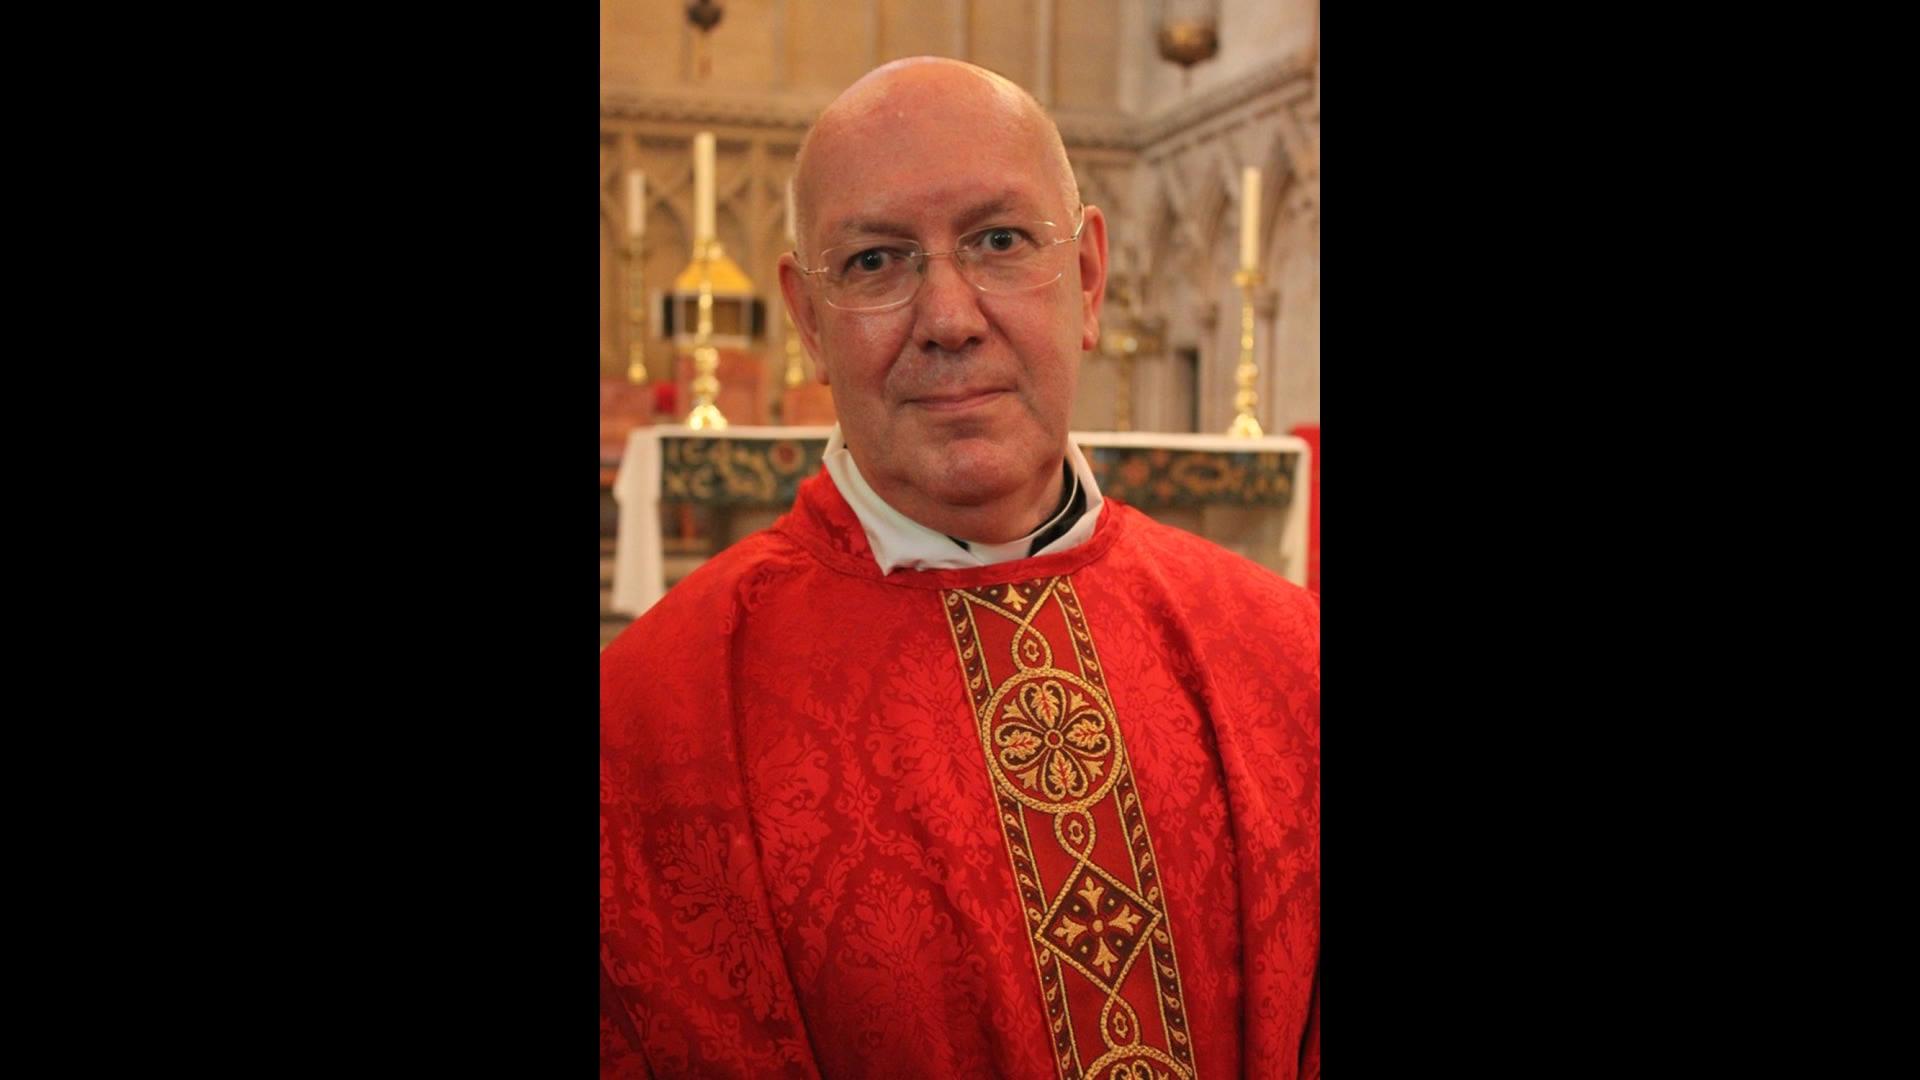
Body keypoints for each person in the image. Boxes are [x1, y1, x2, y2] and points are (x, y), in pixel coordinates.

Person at [601, 57, 1318, 1080]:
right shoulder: (652, 720)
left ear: (1088, 278)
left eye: (1000, 241)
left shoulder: (1286, 658)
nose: (949, 317)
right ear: (808, 319)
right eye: (875, 261)